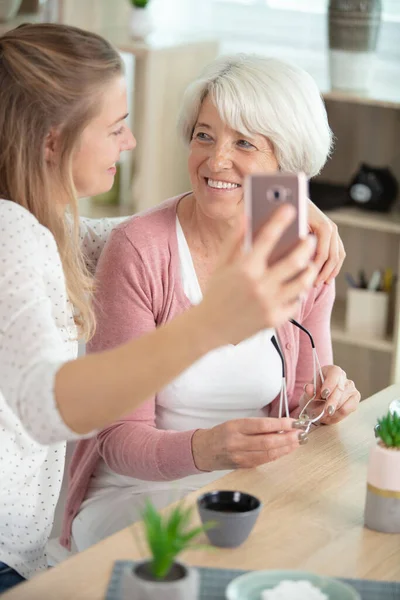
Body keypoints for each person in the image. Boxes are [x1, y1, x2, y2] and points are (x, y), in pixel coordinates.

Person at [0, 24, 337, 593]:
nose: (131, 142)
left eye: (246, 142)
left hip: (20, 544)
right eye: (115, 127)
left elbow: (119, 234)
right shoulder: (14, 236)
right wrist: (208, 328)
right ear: (54, 141)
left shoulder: (47, 230)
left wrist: (301, 205)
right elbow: (47, 407)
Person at [64, 54, 360, 553]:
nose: (216, 160)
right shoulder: (142, 251)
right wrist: (209, 448)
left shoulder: (303, 251)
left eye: (244, 142)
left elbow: (303, 393)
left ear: (286, 163)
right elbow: (117, 437)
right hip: (137, 493)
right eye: (205, 135)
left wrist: (326, 399)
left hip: (247, 488)